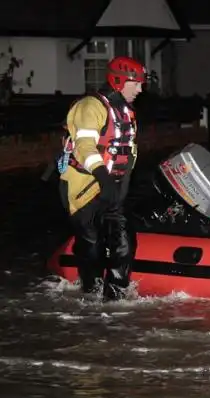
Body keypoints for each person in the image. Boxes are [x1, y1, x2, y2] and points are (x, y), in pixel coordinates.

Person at [58, 56, 146, 301]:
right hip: (83, 186)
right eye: (136, 83)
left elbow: (129, 151)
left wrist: (122, 186)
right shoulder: (90, 106)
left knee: (124, 242)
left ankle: (116, 298)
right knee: (91, 244)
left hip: (113, 187)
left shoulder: (126, 111)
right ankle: (90, 294)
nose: (140, 89)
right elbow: (85, 147)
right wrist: (104, 179)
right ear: (119, 81)